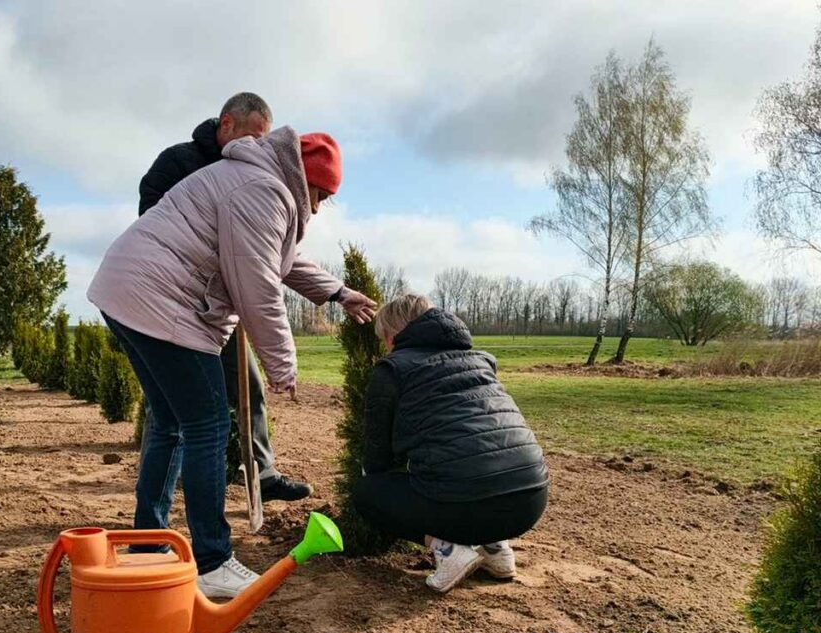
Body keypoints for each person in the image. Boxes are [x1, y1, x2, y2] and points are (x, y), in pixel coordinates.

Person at [88, 126, 377, 598]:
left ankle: (147, 542)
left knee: (170, 423)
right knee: (208, 426)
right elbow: (258, 284)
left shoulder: (252, 178)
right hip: (163, 303)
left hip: (124, 293)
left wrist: (338, 292)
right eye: (321, 195)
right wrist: (283, 362)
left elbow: (277, 259)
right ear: (307, 179)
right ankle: (213, 560)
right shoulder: (263, 189)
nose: (320, 207)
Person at [138, 92, 337, 502]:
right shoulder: (180, 163)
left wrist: (335, 290)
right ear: (226, 124)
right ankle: (168, 482)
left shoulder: (262, 176)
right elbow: (159, 226)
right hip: (180, 305)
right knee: (176, 408)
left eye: (263, 139)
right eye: (250, 136)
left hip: (228, 304)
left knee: (250, 384)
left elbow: (272, 254)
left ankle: (261, 472)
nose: (256, 146)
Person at [351, 295, 549, 593]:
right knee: (475, 463)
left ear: (393, 335)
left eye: (385, 339)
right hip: (531, 501)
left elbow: (378, 457)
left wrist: (386, 494)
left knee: (367, 492)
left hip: (465, 506)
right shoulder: (482, 360)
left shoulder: (392, 369)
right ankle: (497, 550)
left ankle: (448, 552)